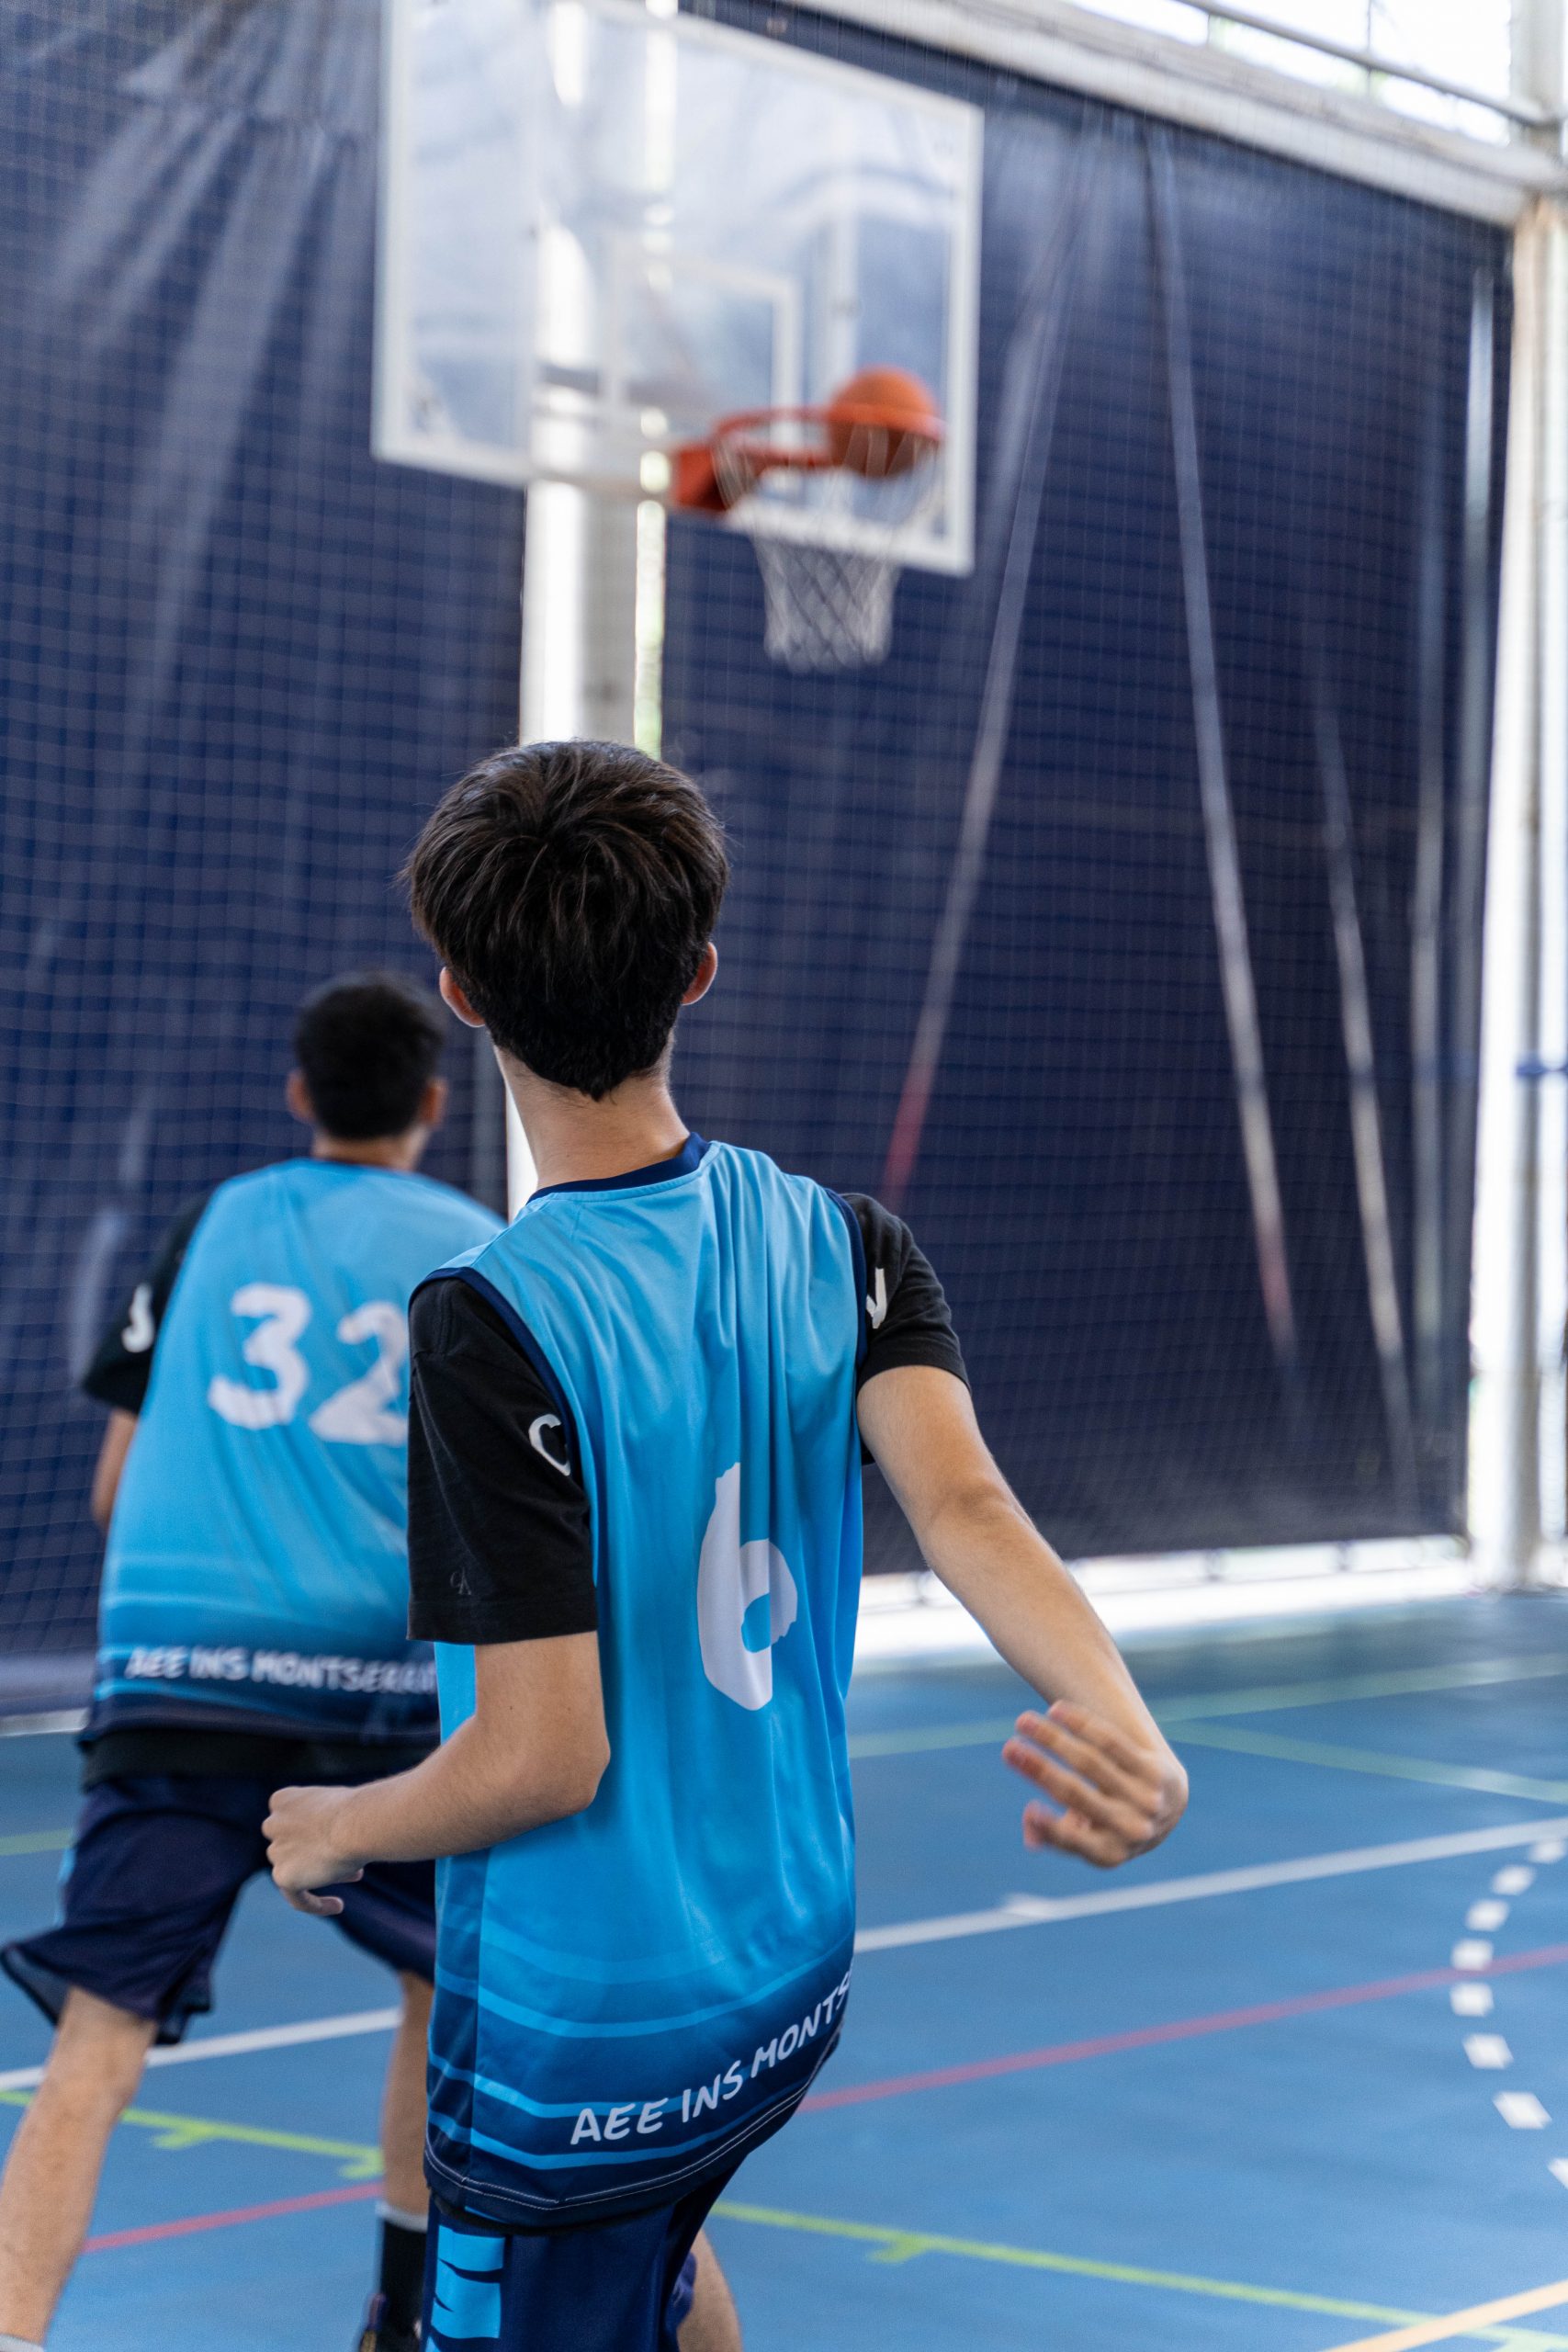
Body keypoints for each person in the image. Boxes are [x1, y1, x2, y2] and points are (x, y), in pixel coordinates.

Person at [264, 744, 1190, 2352]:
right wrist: (1126, 1723)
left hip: (583, 2045)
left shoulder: (491, 1320)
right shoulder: (844, 1243)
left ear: (462, 997)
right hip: (784, 1977)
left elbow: (542, 1756)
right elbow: (968, 1509)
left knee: (594, 2258)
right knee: (668, 2253)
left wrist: (340, 1825)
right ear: (697, 970)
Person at [0, 973, 502, 2352]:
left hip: (178, 1685)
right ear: (433, 1103)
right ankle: (399, 2317)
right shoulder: (478, 1250)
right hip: (383, 1704)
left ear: (298, 1095)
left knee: (95, 2046)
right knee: (442, 1997)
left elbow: (114, 1490)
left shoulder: (212, 1223)